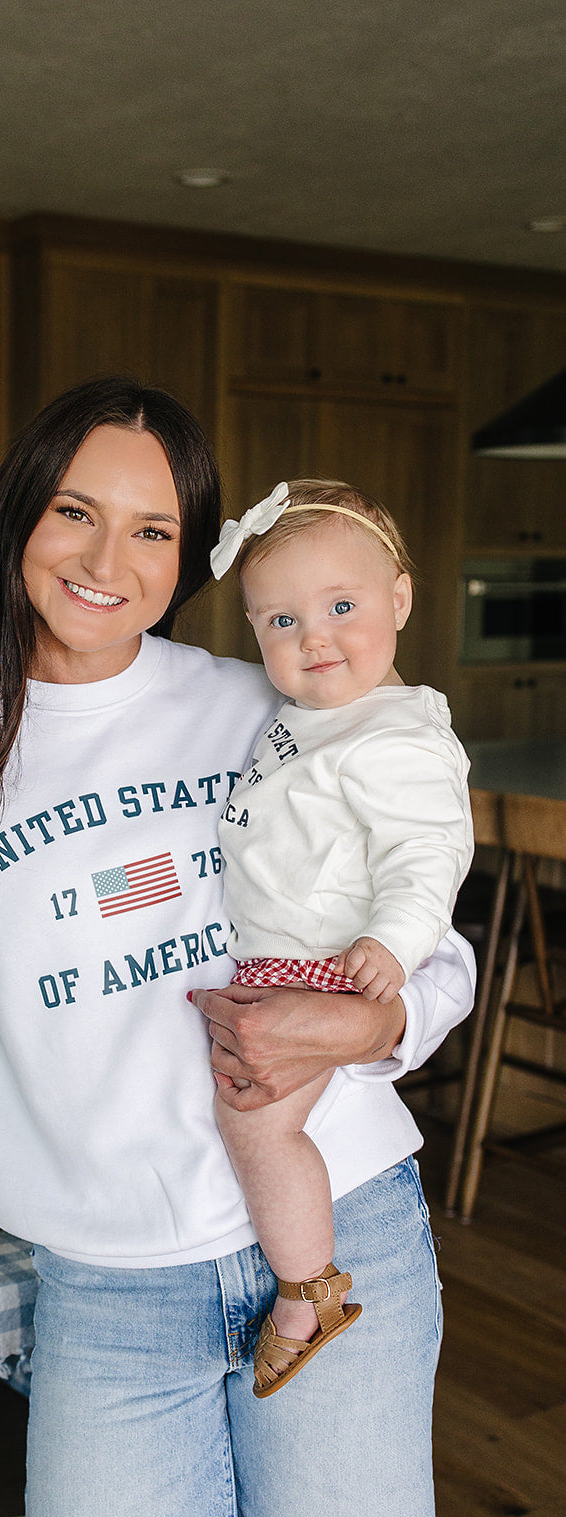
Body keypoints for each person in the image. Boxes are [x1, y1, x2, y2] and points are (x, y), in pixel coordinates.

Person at [0, 377, 474, 1517]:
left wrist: (380, 1015)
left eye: (152, 530)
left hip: (341, 1231)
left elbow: (430, 930)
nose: (109, 559)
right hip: (110, 1291)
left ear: (187, 554)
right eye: (73, 512)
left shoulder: (258, 704)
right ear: (17, 521)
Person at [207, 480, 473, 1400]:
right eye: (278, 621)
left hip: (320, 959)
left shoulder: (393, 736)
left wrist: (394, 947)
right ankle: (301, 1278)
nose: (312, 637)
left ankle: (305, 1291)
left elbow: (428, 852)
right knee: (251, 1113)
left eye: (342, 607)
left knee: (254, 1119)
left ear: (399, 598)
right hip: (280, 946)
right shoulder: (316, 714)